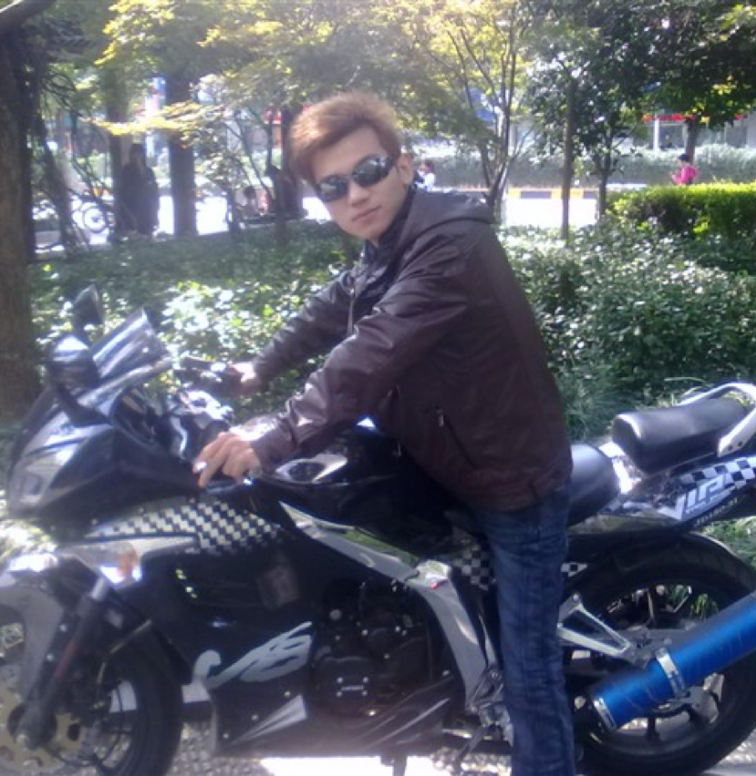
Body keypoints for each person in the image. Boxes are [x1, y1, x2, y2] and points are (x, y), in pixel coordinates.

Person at [194, 92, 576, 776]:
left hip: (509, 479)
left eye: (367, 171)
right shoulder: (389, 243)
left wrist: (275, 436)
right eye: (332, 187)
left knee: (529, 671)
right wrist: (259, 367)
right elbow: (335, 306)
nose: (355, 195)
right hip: (442, 463)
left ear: (402, 164)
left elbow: (371, 352)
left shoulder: (448, 245)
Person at [117, 142, 160, 236]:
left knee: (146, 231)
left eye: (139, 154)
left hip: (147, 207)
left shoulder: (148, 171)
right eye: (135, 154)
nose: (137, 156)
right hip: (132, 206)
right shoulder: (127, 170)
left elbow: (154, 190)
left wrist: (155, 211)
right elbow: (125, 189)